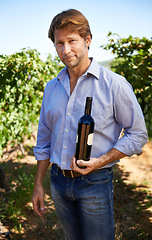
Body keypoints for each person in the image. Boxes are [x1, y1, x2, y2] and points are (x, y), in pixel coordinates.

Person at [32, 9, 148, 240]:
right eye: (59, 43)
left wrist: (100, 161)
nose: (66, 50)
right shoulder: (51, 88)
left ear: (87, 40)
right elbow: (44, 138)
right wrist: (38, 184)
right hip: (58, 182)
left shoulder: (114, 85)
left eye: (72, 41)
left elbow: (138, 134)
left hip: (95, 182)